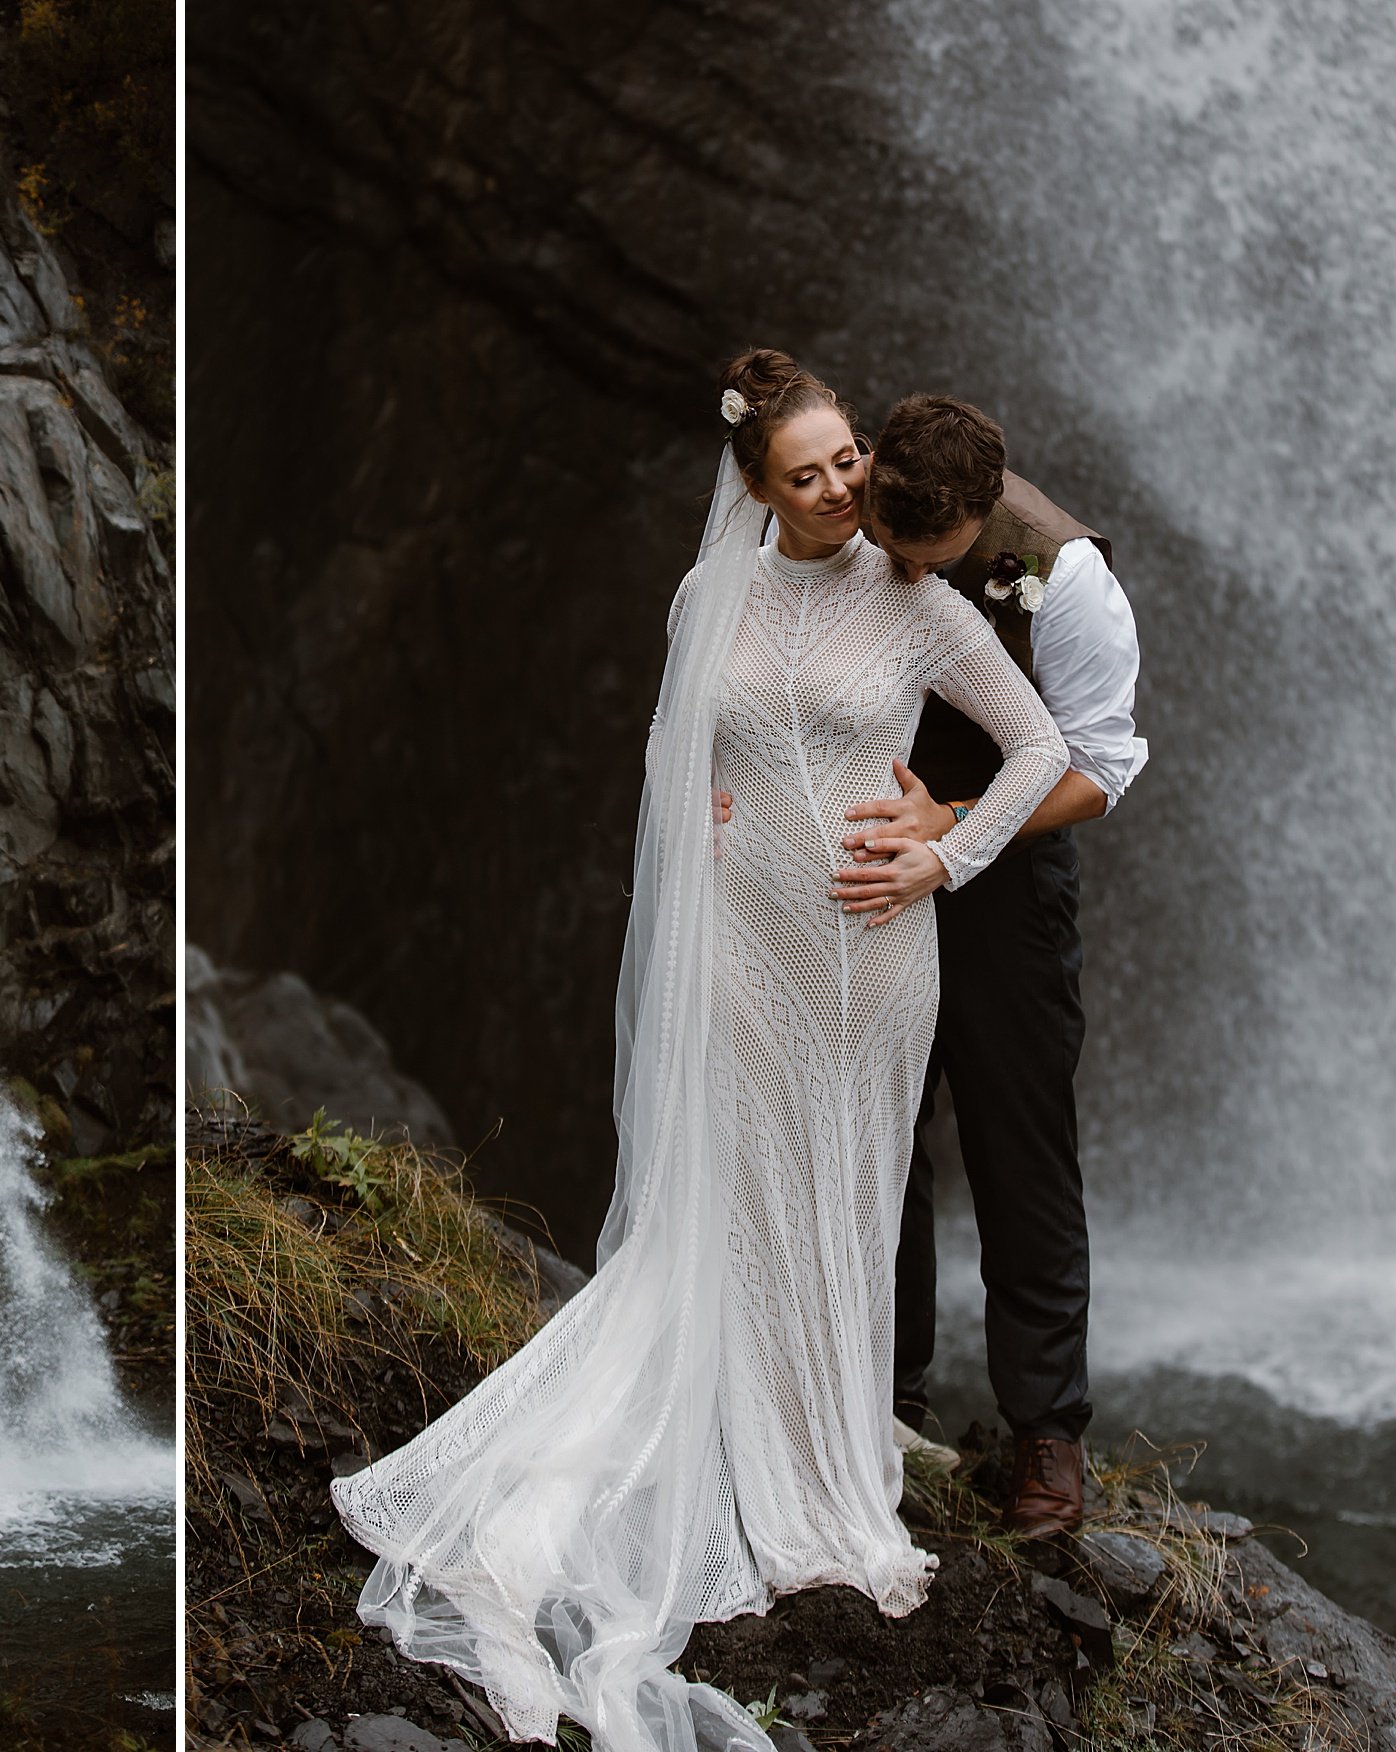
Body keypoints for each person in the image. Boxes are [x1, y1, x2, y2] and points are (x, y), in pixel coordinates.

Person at [328, 350, 1068, 1752]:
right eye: (812, 473)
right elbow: (683, 763)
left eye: (850, 458)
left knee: (845, 1193)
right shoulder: (704, 597)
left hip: (867, 955)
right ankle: (726, 1444)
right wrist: (712, 829)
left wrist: (945, 856)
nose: (846, 487)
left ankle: (823, 1456)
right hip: (742, 945)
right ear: (755, 487)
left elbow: (1036, 747)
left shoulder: (916, 594)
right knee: (731, 1207)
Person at [839, 395, 1146, 1535]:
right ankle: (884, 1400)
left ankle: (1047, 1440)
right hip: (862, 866)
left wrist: (954, 828)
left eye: (930, 561)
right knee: (875, 1130)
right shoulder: (852, 515)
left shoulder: (1066, 581)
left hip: (1008, 889)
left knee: (1020, 1150)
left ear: (976, 521)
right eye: (889, 549)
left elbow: (1100, 772)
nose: (904, 577)